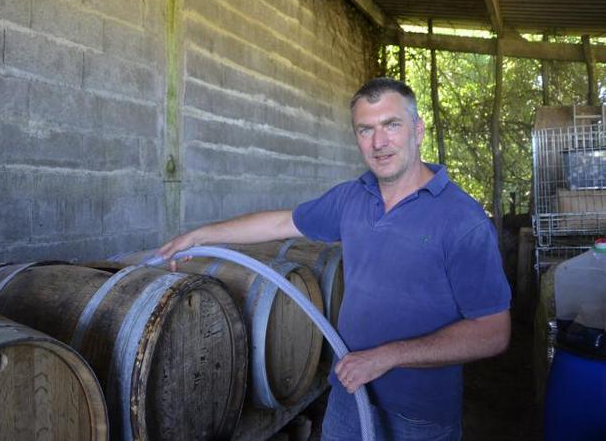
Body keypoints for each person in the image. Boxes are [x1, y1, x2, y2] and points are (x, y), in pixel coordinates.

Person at [158, 77, 511, 440]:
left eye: (391, 125)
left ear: (417, 130)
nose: (379, 142)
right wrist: (199, 236)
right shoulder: (351, 198)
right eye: (365, 130)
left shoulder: (462, 220)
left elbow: (493, 332)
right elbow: (280, 222)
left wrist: (385, 357)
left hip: (418, 416)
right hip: (348, 394)